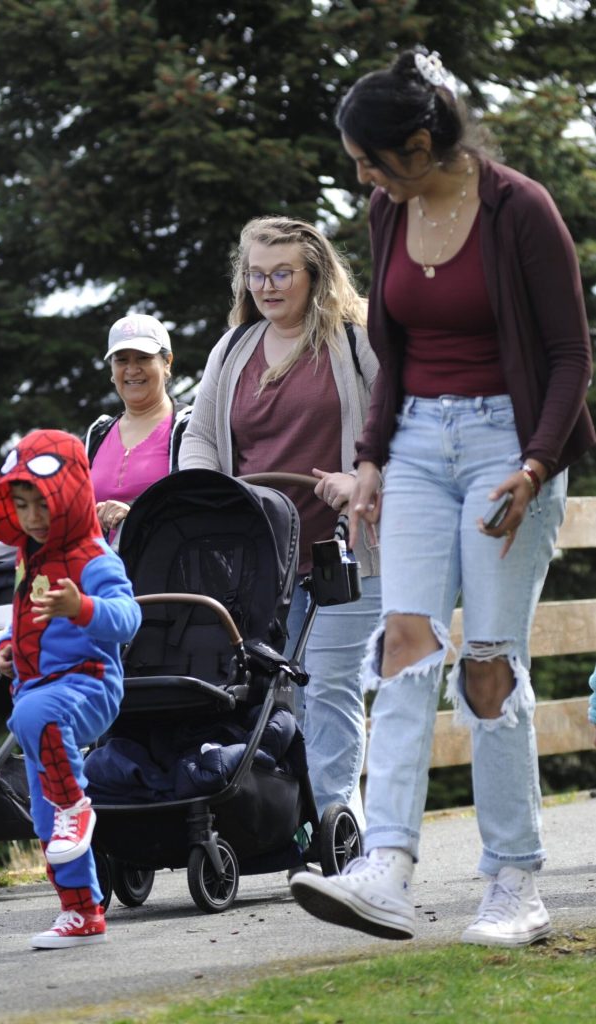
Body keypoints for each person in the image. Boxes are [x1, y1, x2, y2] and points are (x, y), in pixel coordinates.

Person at [289, 49, 595, 947]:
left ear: (420, 142)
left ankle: (513, 883)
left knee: (488, 665)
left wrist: (535, 466)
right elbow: (391, 348)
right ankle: (384, 866)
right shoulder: (390, 208)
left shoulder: (518, 208)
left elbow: (573, 358)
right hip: (419, 442)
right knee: (404, 643)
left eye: (368, 159)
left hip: (513, 442)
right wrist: (372, 458)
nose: (360, 177)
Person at [179, 215, 380, 830]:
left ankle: (339, 824)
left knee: (329, 688)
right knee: (269, 697)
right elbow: (201, 438)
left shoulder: (354, 340)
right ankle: (285, 828)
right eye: (256, 274)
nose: (267, 286)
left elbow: (403, 422)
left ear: (314, 274)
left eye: (281, 273)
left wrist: (364, 478)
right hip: (258, 563)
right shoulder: (235, 346)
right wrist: (205, 501)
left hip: (343, 554)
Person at [0, 428, 141, 949]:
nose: (32, 518)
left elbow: (128, 618)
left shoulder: (93, 558)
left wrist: (82, 608)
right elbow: (24, 615)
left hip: (89, 685)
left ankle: (79, 808)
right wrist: (8, 645)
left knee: (37, 725)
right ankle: (82, 913)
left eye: (43, 505)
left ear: (71, 497)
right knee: (42, 816)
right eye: (22, 505)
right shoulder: (27, 557)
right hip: (35, 692)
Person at [85, 313, 191, 543]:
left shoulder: (189, 427)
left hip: (167, 570)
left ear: (167, 363)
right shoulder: (97, 433)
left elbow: (197, 501)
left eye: (143, 358)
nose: (132, 370)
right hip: (98, 575)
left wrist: (135, 513)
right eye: (121, 360)